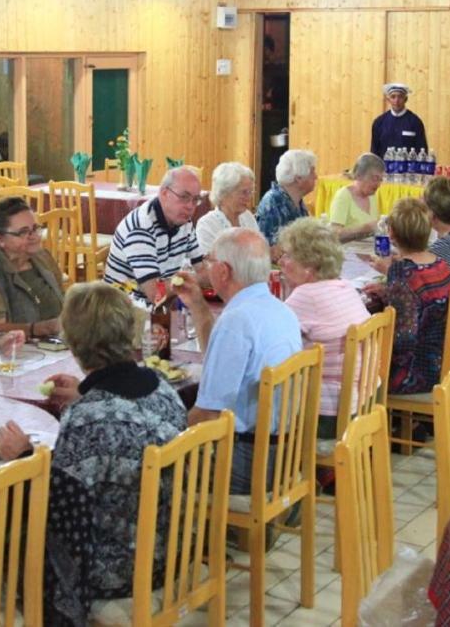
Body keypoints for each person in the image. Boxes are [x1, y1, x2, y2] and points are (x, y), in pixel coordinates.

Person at [0, 282, 186, 623]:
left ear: (75, 344)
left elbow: (58, 506)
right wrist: (85, 393)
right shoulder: (162, 388)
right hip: (169, 548)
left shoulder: (87, 420)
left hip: (116, 570)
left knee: (2, 550)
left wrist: (24, 457)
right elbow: (124, 426)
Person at [175, 229, 301, 495]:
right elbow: (219, 360)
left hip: (247, 461)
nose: (205, 268)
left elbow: (208, 415)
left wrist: (166, 434)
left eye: (208, 262)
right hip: (284, 454)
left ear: (223, 271)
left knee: (146, 461)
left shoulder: (236, 321)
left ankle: (186, 535)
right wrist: (197, 305)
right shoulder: (281, 309)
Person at [276, 218, 370, 438]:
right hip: (363, 400)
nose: (280, 261)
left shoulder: (306, 296)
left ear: (309, 267)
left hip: (328, 414)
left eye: (288, 255)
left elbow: (270, 344)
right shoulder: (344, 286)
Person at [366, 199, 450, 395]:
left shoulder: (402, 272)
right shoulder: (441, 264)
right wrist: (389, 292)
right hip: (443, 361)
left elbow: (402, 339)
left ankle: (369, 422)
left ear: (391, 233)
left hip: (413, 373)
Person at [103, 165, 205, 304]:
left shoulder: (184, 222)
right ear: (163, 193)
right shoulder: (140, 227)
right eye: (184, 197)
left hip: (158, 307)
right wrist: (194, 279)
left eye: (195, 200)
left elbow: (202, 267)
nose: (190, 206)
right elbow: (156, 294)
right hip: (123, 310)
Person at [0, 196, 65, 337]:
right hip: (18, 352)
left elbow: (63, 300)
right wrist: (39, 329)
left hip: (57, 345)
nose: (34, 236)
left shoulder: (43, 257)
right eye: (23, 232)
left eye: (35, 228)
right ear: (0, 239)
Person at [255, 148, 317, 248]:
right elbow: (271, 248)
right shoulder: (273, 202)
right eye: (312, 172)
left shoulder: (297, 200)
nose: (316, 177)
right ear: (298, 179)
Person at [194, 161, 259, 253]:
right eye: (244, 192)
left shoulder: (248, 217)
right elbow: (210, 264)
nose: (248, 198)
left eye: (250, 192)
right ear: (224, 193)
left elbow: (259, 253)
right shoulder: (207, 225)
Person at [328, 152, 383, 243]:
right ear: (359, 176)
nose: (378, 184)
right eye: (375, 178)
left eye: (381, 179)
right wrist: (365, 228)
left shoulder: (371, 196)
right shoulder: (343, 196)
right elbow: (334, 235)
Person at [370, 82, 428, 157]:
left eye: (400, 97)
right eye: (393, 97)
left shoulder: (415, 122)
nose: (396, 101)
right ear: (388, 99)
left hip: (409, 168)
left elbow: (422, 151)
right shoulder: (379, 122)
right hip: (384, 168)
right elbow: (374, 152)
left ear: (406, 99)